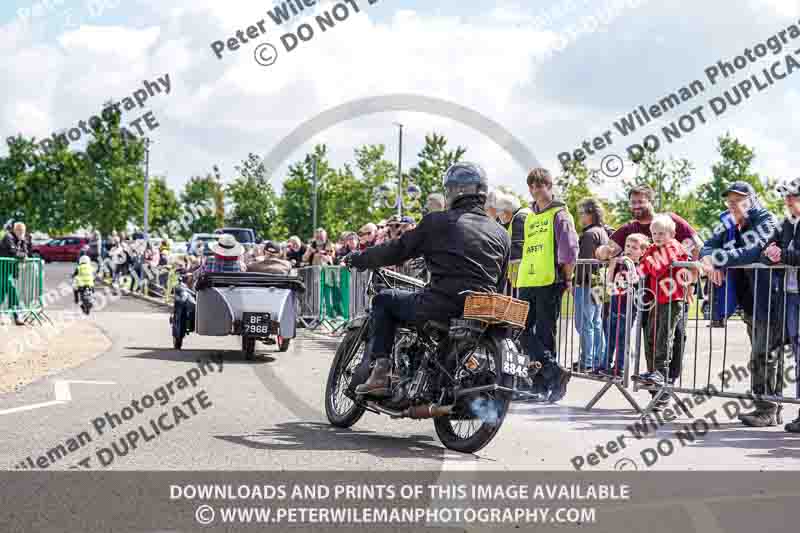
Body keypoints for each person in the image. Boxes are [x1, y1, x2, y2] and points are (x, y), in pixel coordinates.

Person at [344, 162, 510, 397]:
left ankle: (380, 372)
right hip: (479, 310)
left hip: (441, 304)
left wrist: (360, 258)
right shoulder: (501, 233)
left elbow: (397, 249)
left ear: (452, 191)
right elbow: (501, 281)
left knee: (383, 299)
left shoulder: (437, 221)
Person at [595, 185, 703, 385]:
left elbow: (696, 245)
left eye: (640, 201)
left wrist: (691, 280)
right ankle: (656, 383)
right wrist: (603, 252)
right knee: (652, 340)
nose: (636, 206)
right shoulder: (629, 228)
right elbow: (608, 250)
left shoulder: (670, 222)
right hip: (647, 298)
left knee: (674, 338)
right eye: (633, 202)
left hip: (674, 293)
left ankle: (668, 381)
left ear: (651, 202)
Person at [701, 181, 782, 427]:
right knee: (764, 354)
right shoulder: (728, 219)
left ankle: (766, 409)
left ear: (752, 199)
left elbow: (753, 251)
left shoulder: (766, 219)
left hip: (770, 297)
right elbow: (707, 243)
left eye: (738, 200)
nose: (732, 205)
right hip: (749, 299)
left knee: (763, 354)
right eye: (730, 200)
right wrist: (708, 256)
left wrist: (718, 259)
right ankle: (771, 409)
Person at [516, 168, 578, 402]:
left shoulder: (560, 214)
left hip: (550, 281)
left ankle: (542, 387)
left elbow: (570, 251)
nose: (535, 190)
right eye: (532, 186)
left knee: (544, 334)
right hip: (528, 281)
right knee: (519, 329)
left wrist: (568, 278)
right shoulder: (529, 216)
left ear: (549, 187)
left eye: (540, 185)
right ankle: (554, 373)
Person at [633, 215, 696, 393]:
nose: (657, 236)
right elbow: (641, 269)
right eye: (654, 233)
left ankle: (662, 371)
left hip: (673, 298)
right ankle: (654, 371)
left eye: (662, 233)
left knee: (664, 336)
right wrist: (647, 261)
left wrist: (647, 261)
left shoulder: (674, 247)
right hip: (657, 299)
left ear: (672, 234)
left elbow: (658, 268)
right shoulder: (654, 248)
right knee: (653, 335)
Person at [763, 176, 800, 432]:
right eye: (786, 196)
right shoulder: (786, 223)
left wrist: (781, 255)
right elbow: (768, 246)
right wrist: (769, 252)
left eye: (794, 195)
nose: (788, 200)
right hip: (789, 295)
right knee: (798, 355)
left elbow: (787, 255)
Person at [604, 233, 649, 376]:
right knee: (610, 336)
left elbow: (635, 280)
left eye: (634, 248)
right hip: (614, 305)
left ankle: (620, 367)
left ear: (642, 252)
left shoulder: (639, 266)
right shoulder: (620, 265)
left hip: (628, 309)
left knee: (622, 339)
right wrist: (612, 267)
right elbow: (609, 286)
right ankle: (605, 364)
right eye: (627, 246)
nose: (629, 250)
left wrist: (630, 267)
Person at [574, 198, 609, 373]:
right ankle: (597, 359)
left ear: (591, 214)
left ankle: (587, 361)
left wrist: (574, 283)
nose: (580, 216)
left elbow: (584, 264)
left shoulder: (589, 234)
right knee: (595, 322)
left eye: (582, 213)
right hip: (600, 283)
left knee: (584, 323)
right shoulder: (602, 231)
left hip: (587, 284)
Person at [496, 193, 530, 294]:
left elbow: (517, 249)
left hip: (520, 276)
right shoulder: (523, 215)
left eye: (501, 212)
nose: (500, 216)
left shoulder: (519, 219)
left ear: (508, 211)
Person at [0, 222, 30, 325]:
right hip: (2, 268)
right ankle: (17, 316)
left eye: (23, 232)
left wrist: (22, 254)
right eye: (20, 232)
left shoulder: (21, 239)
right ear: (15, 230)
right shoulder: (8, 237)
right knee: (11, 289)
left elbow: (25, 252)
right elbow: (13, 252)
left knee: (3, 293)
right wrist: (22, 255)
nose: (22, 234)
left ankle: (16, 316)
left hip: (9, 270)